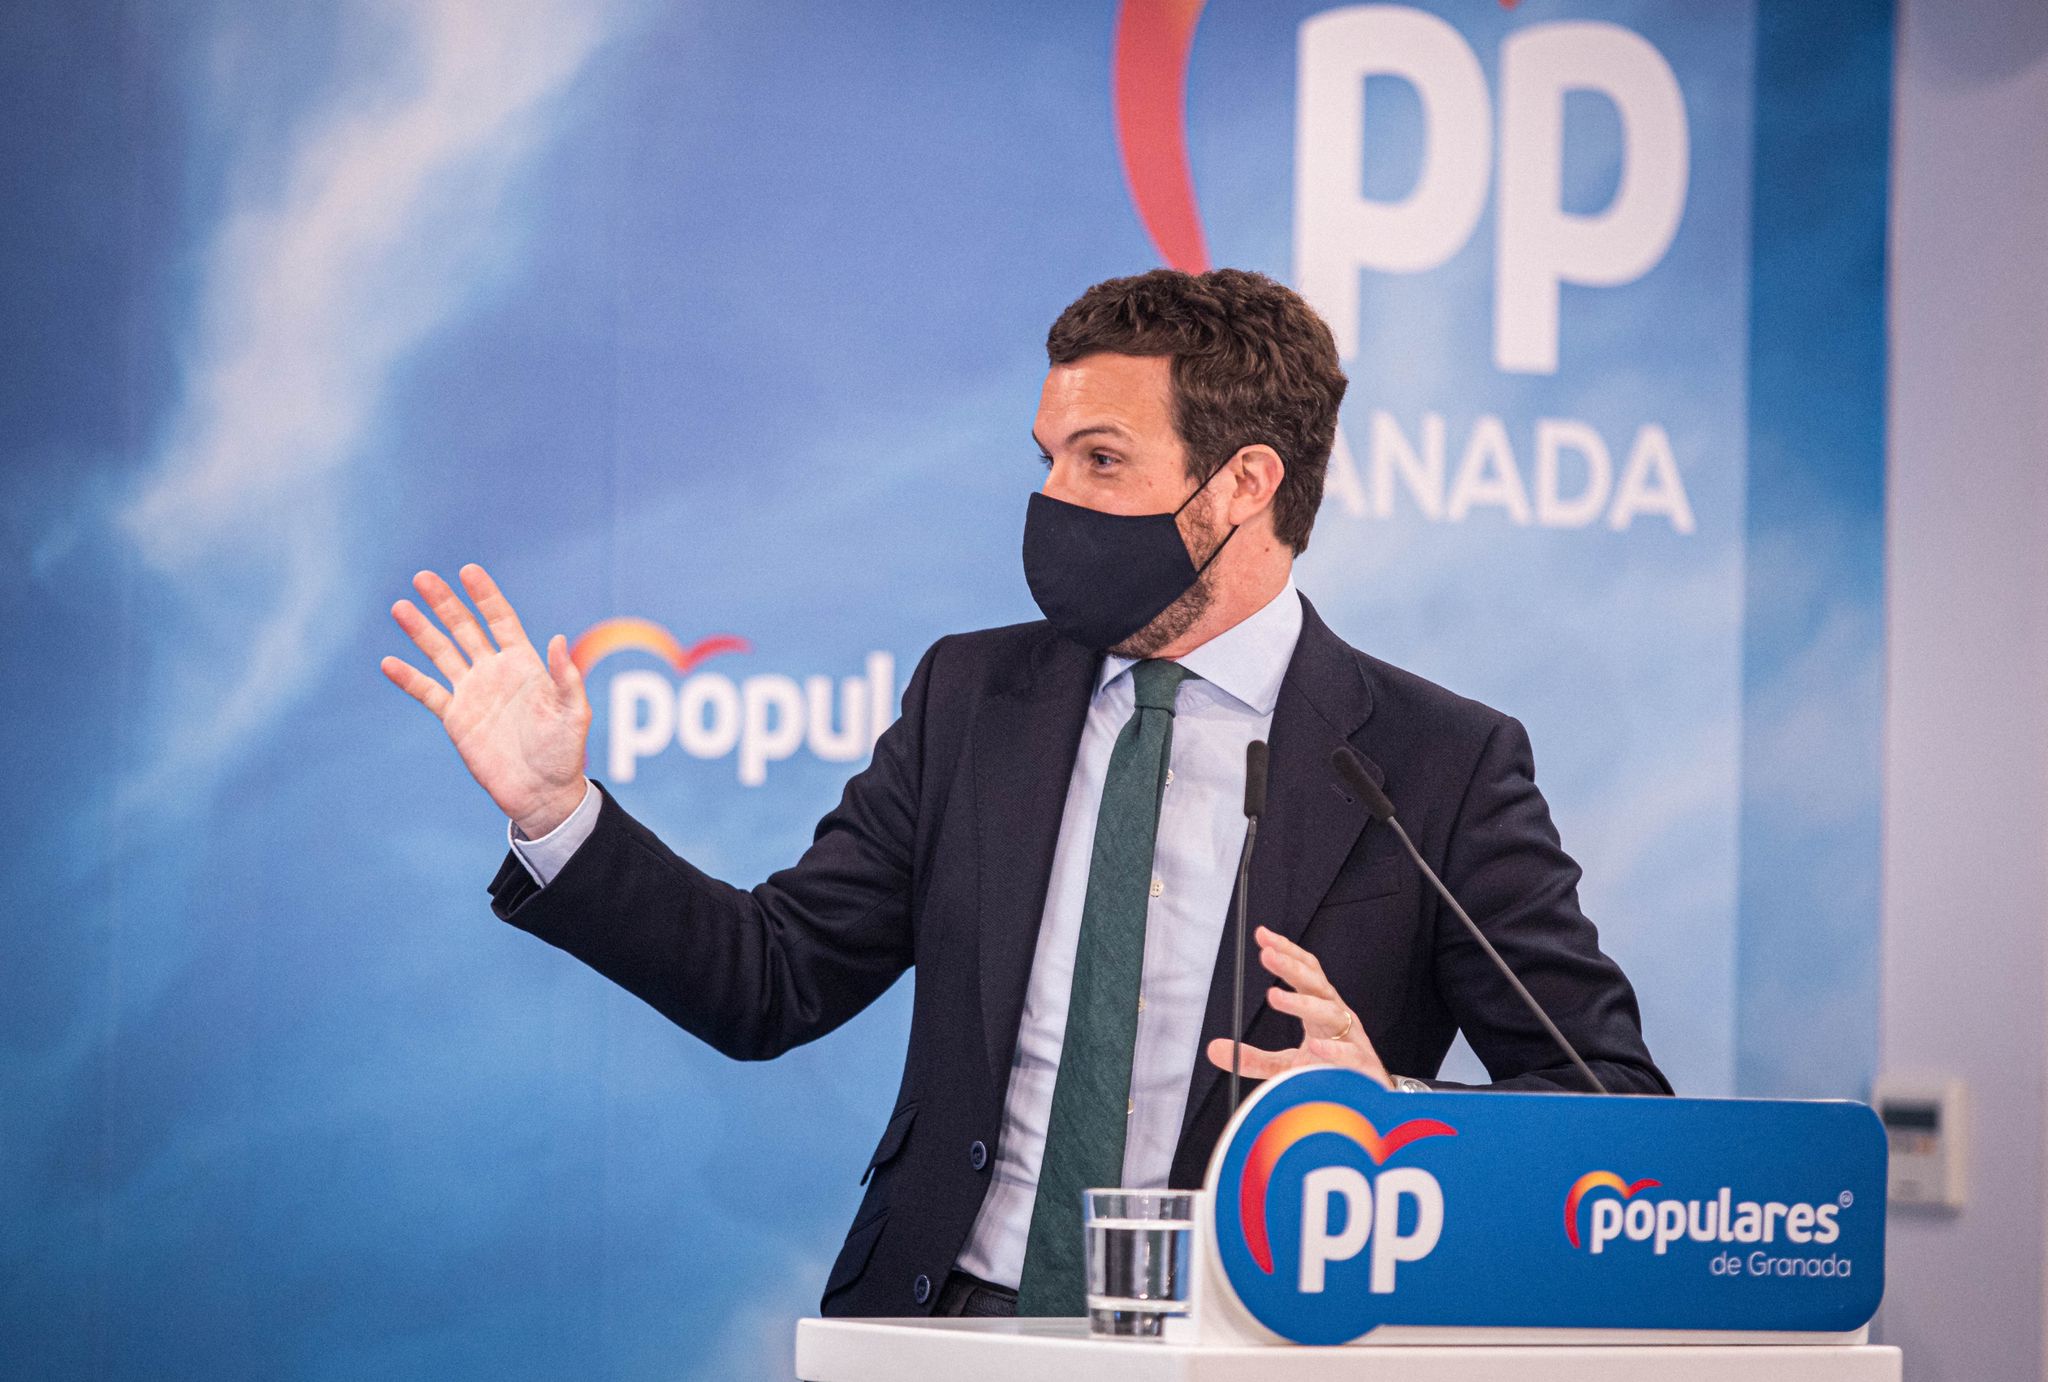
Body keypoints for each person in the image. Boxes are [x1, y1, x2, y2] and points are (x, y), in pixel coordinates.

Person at [381, 268, 1668, 1321]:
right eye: (1047, 457)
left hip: (1256, 1339)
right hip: (947, 1329)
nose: (1052, 499)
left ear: (1243, 486)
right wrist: (559, 812)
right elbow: (766, 978)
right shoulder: (971, 700)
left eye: (1100, 460)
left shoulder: (1437, 762)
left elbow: (1614, 1113)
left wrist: (1392, 1126)